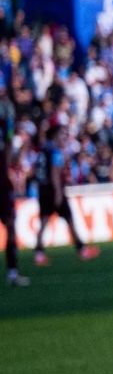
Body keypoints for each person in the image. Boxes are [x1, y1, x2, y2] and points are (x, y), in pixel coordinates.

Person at [32, 115, 100, 265]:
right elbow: (55, 173)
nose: (64, 137)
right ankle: (81, 250)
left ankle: (38, 254)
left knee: (43, 221)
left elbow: (36, 170)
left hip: (42, 189)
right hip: (54, 190)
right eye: (62, 134)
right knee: (69, 219)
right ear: (55, 135)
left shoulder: (43, 149)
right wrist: (58, 193)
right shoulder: (55, 151)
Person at [2, 95, 24, 288]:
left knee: (10, 225)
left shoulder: (5, 123)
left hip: (2, 182)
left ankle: (12, 271)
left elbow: (9, 144)